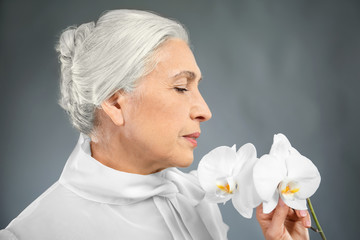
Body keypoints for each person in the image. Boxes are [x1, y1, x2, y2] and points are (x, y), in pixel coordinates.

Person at [0, 9, 311, 240]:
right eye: (180, 87)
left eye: (198, 86)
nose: (205, 110)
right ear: (114, 102)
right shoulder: (32, 234)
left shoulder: (197, 199)